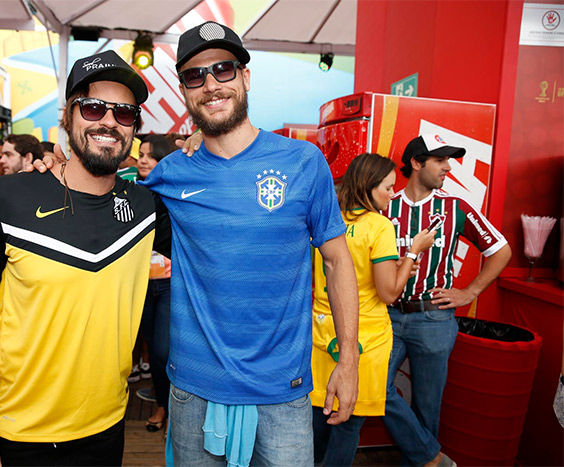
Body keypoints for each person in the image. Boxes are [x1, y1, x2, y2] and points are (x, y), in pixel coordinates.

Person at [140, 21, 360, 466]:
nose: (211, 84)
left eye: (223, 69)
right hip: (193, 389)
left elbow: (337, 262)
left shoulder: (302, 162)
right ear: (184, 90)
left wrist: (349, 359)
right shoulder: (172, 172)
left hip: (282, 391)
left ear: (245, 76)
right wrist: (52, 166)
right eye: (195, 76)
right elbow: (100, 190)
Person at [0, 50, 171, 467]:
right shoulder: (8, 197)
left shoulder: (145, 207)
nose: (109, 121)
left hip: (107, 426)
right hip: (16, 432)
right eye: (93, 107)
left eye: (124, 113)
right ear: (68, 117)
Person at [382, 135, 511, 463]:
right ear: (416, 163)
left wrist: (471, 291)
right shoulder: (385, 206)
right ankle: (433, 459)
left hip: (434, 319)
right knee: (374, 389)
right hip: (389, 315)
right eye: (440, 161)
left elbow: (500, 250)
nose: (449, 168)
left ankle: (421, 461)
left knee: (427, 407)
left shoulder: (456, 208)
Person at [310, 153, 440, 466]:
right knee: (349, 420)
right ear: (369, 186)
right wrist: (413, 253)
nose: (392, 193)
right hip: (364, 338)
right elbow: (388, 292)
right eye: (387, 187)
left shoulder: (328, 219)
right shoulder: (379, 227)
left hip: (321, 331)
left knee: (320, 415)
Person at [134, 134, 174, 433]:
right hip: (141, 284)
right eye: (142, 154)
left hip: (172, 284)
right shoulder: (131, 194)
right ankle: (163, 405)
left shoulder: (178, 193)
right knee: (152, 349)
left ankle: (172, 408)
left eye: (150, 155)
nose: (143, 159)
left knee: (162, 351)